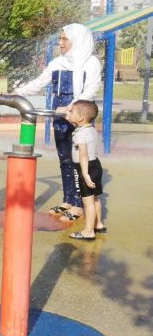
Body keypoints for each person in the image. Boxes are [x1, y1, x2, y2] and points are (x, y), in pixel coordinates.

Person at [10, 23, 102, 222]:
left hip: (79, 117)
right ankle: (69, 199)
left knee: (81, 161)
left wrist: (72, 106)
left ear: (77, 41)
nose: (60, 42)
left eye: (64, 39)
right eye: (60, 38)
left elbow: (91, 89)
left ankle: (80, 204)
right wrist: (16, 93)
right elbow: (38, 83)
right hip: (60, 115)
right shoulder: (58, 63)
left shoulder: (91, 62)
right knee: (65, 159)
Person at [65, 100, 107, 240]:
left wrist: (84, 174)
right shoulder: (90, 129)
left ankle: (88, 232)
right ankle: (98, 224)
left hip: (85, 168)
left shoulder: (80, 135)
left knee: (87, 202)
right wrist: (71, 117)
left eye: (72, 112)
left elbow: (83, 155)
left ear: (81, 118)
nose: (69, 113)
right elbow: (77, 124)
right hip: (95, 165)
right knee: (95, 198)